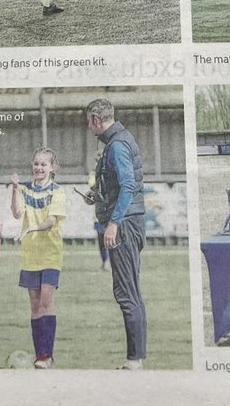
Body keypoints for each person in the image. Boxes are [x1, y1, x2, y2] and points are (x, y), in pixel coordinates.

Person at [85, 98, 147, 371]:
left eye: (89, 121)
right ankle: (137, 359)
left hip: (125, 224)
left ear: (97, 120)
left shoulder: (117, 145)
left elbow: (128, 186)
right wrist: (97, 195)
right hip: (130, 221)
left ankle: (134, 361)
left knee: (125, 292)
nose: (89, 127)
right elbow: (118, 184)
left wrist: (113, 223)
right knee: (131, 291)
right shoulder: (117, 141)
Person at [10, 147, 66, 369]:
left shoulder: (57, 192)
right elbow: (16, 212)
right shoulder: (25, 190)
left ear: (52, 168)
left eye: (43, 164)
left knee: (46, 302)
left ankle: (47, 356)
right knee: (34, 306)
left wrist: (32, 229)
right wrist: (15, 188)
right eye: (36, 164)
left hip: (51, 254)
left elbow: (52, 221)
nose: (39, 168)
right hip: (30, 256)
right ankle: (39, 355)